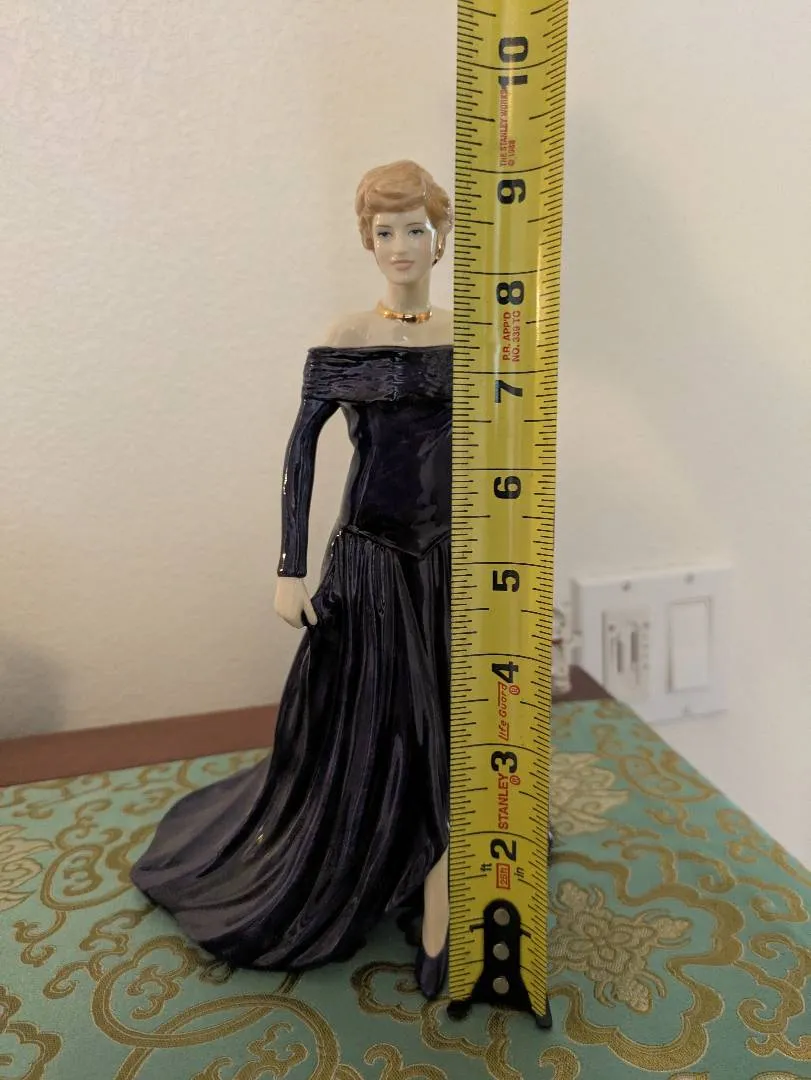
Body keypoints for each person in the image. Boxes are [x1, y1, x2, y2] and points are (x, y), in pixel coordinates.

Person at [131, 160, 454, 998]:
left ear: (441, 237)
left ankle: (443, 875)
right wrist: (290, 568)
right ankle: (403, 863)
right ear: (366, 241)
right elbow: (300, 452)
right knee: (379, 712)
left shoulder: (470, 334)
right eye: (384, 231)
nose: (399, 245)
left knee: (447, 712)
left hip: (448, 559)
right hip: (372, 555)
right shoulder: (347, 334)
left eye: (415, 228)